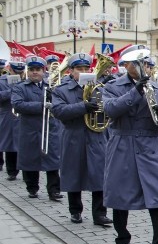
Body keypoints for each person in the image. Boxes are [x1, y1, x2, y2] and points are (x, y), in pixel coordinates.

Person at [102, 46, 158, 244]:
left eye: (146, 64)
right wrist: (135, 92)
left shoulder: (157, 88)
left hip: (149, 144)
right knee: (120, 194)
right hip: (122, 143)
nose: (145, 68)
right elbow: (111, 110)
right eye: (139, 64)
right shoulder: (113, 86)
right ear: (127, 66)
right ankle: (122, 238)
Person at [50, 53, 112, 226]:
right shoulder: (61, 90)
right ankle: (75, 210)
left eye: (86, 68)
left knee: (99, 175)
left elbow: (108, 110)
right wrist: (83, 107)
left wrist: (101, 108)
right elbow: (59, 111)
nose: (84, 71)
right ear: (71, 71)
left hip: (96, 136)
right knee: (74, 173)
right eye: (79, 69)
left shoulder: (99, 88)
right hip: (73, 135)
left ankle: (100, 214)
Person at [11, 55, 62, 200]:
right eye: (32, 69)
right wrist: (41, 106)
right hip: (30, 128)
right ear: (28, 71)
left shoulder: (51, 86)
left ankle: (54, 190)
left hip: (49, 128)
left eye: (38, 69)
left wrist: (54, 102)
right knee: (30, 159)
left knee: (52, 160)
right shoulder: (20, 87)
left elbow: (60, 103)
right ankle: (32, 187)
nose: (35, 72)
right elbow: (17, 104)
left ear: (43, 70)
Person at [0, 59, 26, 181]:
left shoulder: (26, 80)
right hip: (8, 115)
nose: (18, 74)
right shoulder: (2, 80)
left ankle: (25, 169)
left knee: (22, 143)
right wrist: (12, 90)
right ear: (10, 69)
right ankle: (12, 171)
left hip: (22, 116)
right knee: (10, 144)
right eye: (16, 72)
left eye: (20, 72)